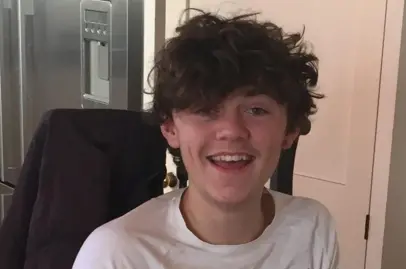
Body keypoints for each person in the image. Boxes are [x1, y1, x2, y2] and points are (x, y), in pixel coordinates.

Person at [72, 9, 339, 269]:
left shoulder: (312, 229)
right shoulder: (115, 255)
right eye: (205, 109)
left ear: (290, 130)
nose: (231, 130)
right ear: (169, 128)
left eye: (256, 110)